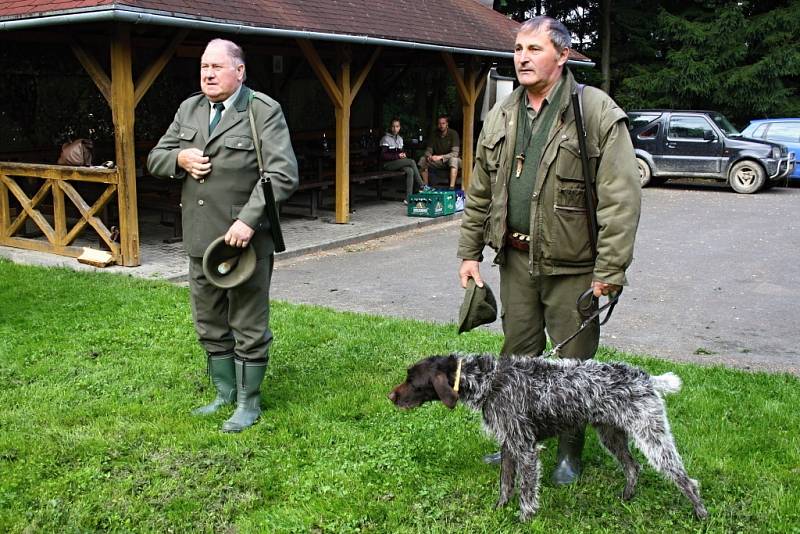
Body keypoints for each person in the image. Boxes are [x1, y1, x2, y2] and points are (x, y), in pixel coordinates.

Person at [457, 16, 641, 483]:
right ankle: (517, 444)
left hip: (576, 267)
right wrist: (470, 251)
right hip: (516, 260)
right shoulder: (501, 113)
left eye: (534, 49)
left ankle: (568, 455)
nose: (522, 56)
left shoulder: (596, 110)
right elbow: (479, 189)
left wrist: (610, 270)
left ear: (562, 56)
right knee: (516, 359)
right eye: (518, 47)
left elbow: (621, 198)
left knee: (574, 366)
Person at [147, 38, 299, 433]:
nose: (208, 74)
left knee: (248, 321)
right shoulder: (189, 109)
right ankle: (224, 393)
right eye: (203, 67)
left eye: (216, 67)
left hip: (245, 240)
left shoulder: (263, 111)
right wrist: (178, 158)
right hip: (201, 238)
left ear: (240, 71)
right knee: (209, 319)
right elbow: (155, 158)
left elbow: (282, 174)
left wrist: (249, 220)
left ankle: (249, 403)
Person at [379, 118, 427, 202]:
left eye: (397, 126)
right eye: (393, 126)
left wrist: (402, 155)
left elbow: (400, 153)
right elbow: (383, 155)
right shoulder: (385, 138)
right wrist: (398, 156)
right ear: (390, 127)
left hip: (397, 163)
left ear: (399, 127)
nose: (395, 128)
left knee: (410, 171)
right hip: (388, 164)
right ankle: (422, 185)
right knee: (411, 161)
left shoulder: (400, 139)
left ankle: (408, 198)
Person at [418, 115, 461, 189]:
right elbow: (428, 150)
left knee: (453, 160)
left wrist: (440, 157)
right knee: (423, 160)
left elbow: (455, 153)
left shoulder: (453, 134)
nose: (441, 125)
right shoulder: (434, 134)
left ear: (447, 124)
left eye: (443, 123)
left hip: (452, 159)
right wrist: (429, 156)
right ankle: (426, 186)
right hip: (439, 161)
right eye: (439, 123)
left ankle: (451, 187)